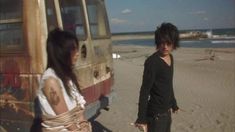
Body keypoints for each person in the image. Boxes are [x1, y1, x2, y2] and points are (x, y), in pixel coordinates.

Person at [37, 28, 91, 132]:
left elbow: (78, 108)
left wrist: (83, 124)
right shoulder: (51, 81)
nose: (77, 53)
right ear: (62, 52)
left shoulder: (67, 76)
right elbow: (65, 120)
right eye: (73, 49)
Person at [135, 23, 180, 132]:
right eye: (161, 43)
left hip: (167, 112)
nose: (165, 46)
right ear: (157, 43)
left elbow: (168, 84)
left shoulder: (171, 58)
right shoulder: (152, 62)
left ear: (174, 43)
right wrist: (141, 119)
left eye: (168, 43)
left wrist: (174, 104)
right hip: (156, 116)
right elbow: (144, 91)